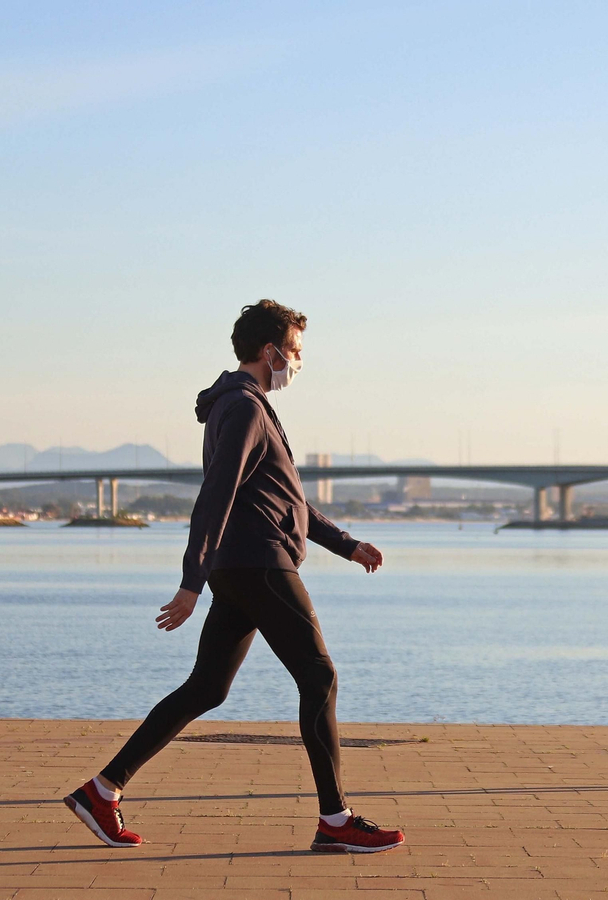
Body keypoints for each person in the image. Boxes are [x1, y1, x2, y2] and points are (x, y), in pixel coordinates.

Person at [65, 300, 405, 853]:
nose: (296, 362)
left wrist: (347, 545)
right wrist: (189, 582)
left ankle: (102, 791)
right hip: (258, 563)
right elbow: (216, 496)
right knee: (319, 677)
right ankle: (335, 821)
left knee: (207, 687)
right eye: (294, 351)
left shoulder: (241, 405)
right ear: (269, 351)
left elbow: (282, 499)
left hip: (240, 565)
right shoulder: (245, 408)